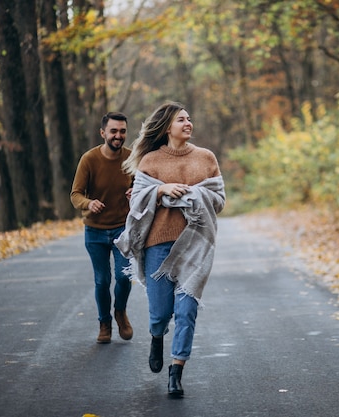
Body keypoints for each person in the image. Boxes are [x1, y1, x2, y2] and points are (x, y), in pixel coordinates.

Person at [115, 101, 225, 398]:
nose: (188, 123)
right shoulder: (150, 161)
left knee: (187, 309)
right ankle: (156, 334)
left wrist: (192, 193)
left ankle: (176, 372)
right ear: (167, 127)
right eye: (181, 120)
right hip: (158, 244)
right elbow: (137, 199)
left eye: (189, 118)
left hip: (196, 245)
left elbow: (218, 197)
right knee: (161, 312)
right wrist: (161, 190)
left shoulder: (206, 158)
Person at [70, 111, 134, 344]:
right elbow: (75, 194)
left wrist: (134, 193)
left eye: (123, 131)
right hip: (95, 230)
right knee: (102, 280)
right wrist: (89, 203)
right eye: (114, 131)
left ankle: (120, 312)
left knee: (124, 277)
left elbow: (142, 188)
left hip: (123, 230)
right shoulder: (89, 159)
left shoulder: (131, 158)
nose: (118, 136)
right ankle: (104, 323)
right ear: (103, 133)